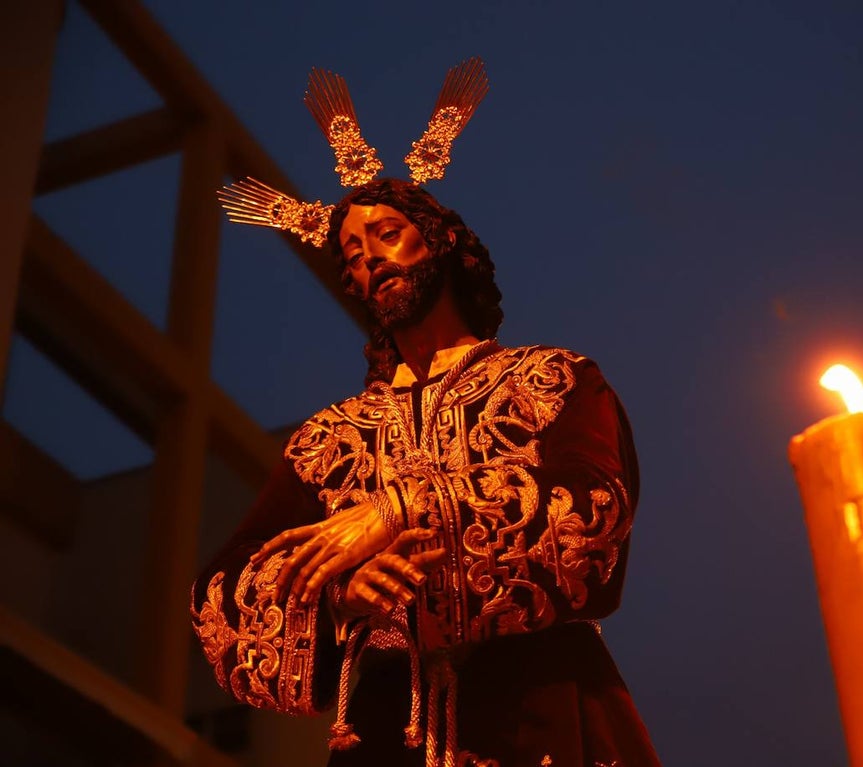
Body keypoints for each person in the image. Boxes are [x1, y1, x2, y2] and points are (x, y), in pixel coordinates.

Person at [191, 171, 661, 766]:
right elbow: (224, 586)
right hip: (388, 725)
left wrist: (400, 510)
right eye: (353, 256)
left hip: (541, 700)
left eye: (387, 234)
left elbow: (594, 505)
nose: (371, 262)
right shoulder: (331, 439)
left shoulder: (549, 380)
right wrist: (338, 596)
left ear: (440, 240)